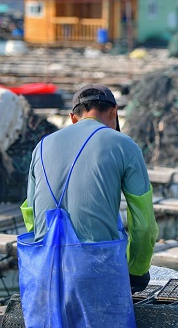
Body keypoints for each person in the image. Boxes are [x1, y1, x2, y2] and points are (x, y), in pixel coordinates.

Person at [18, 84, 158, 327]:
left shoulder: (41, 146)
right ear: (114, 111)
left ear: (73, 117)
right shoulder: (124, 145)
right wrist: (137, 270)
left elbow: (30, 213)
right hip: (97, 270)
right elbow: (144, 225)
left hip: (44, 270)